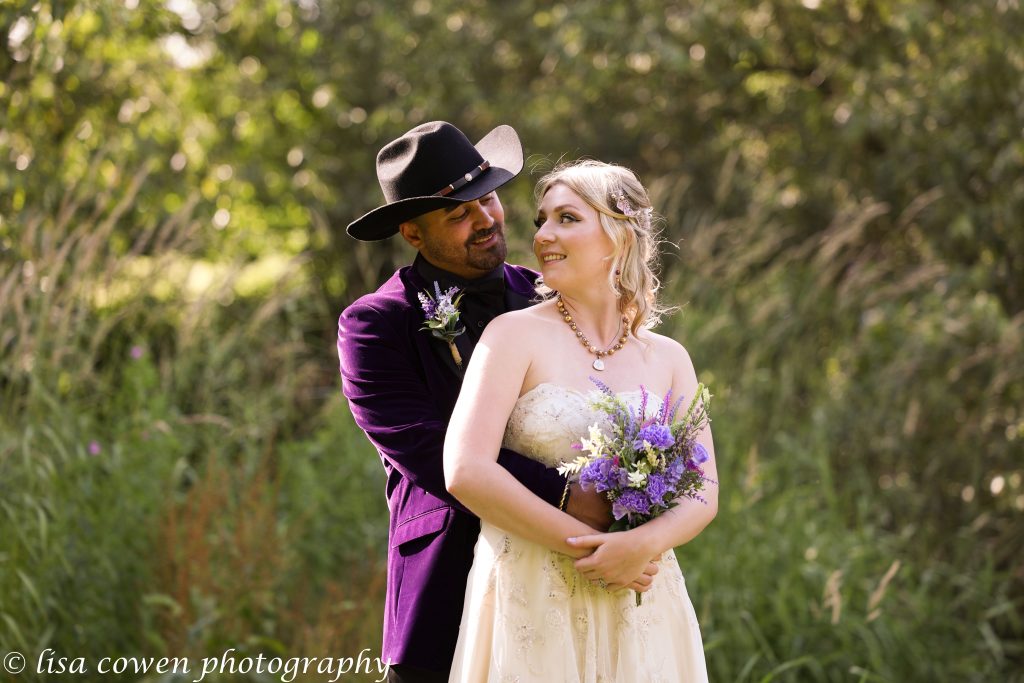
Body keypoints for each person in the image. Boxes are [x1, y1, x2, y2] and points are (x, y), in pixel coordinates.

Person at [337, 123, 657, 683]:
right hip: (449, 580)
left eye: (486, 197)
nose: (485, 220)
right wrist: (568, 497)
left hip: (577, 577)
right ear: (413, 233)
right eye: (458, 214)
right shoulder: (374, 326)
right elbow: (434, 453)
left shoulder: (550, 295)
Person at [444, 160, 717, 681]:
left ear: (619, 235)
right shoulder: (511, 335)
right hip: (530, 590)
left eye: (566, 218)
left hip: (640, 593)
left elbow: (704, 490)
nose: (543, 235)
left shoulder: (669, 357)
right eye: (540, 221)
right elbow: (466, 470)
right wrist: (593, 549)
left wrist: (639, 545)